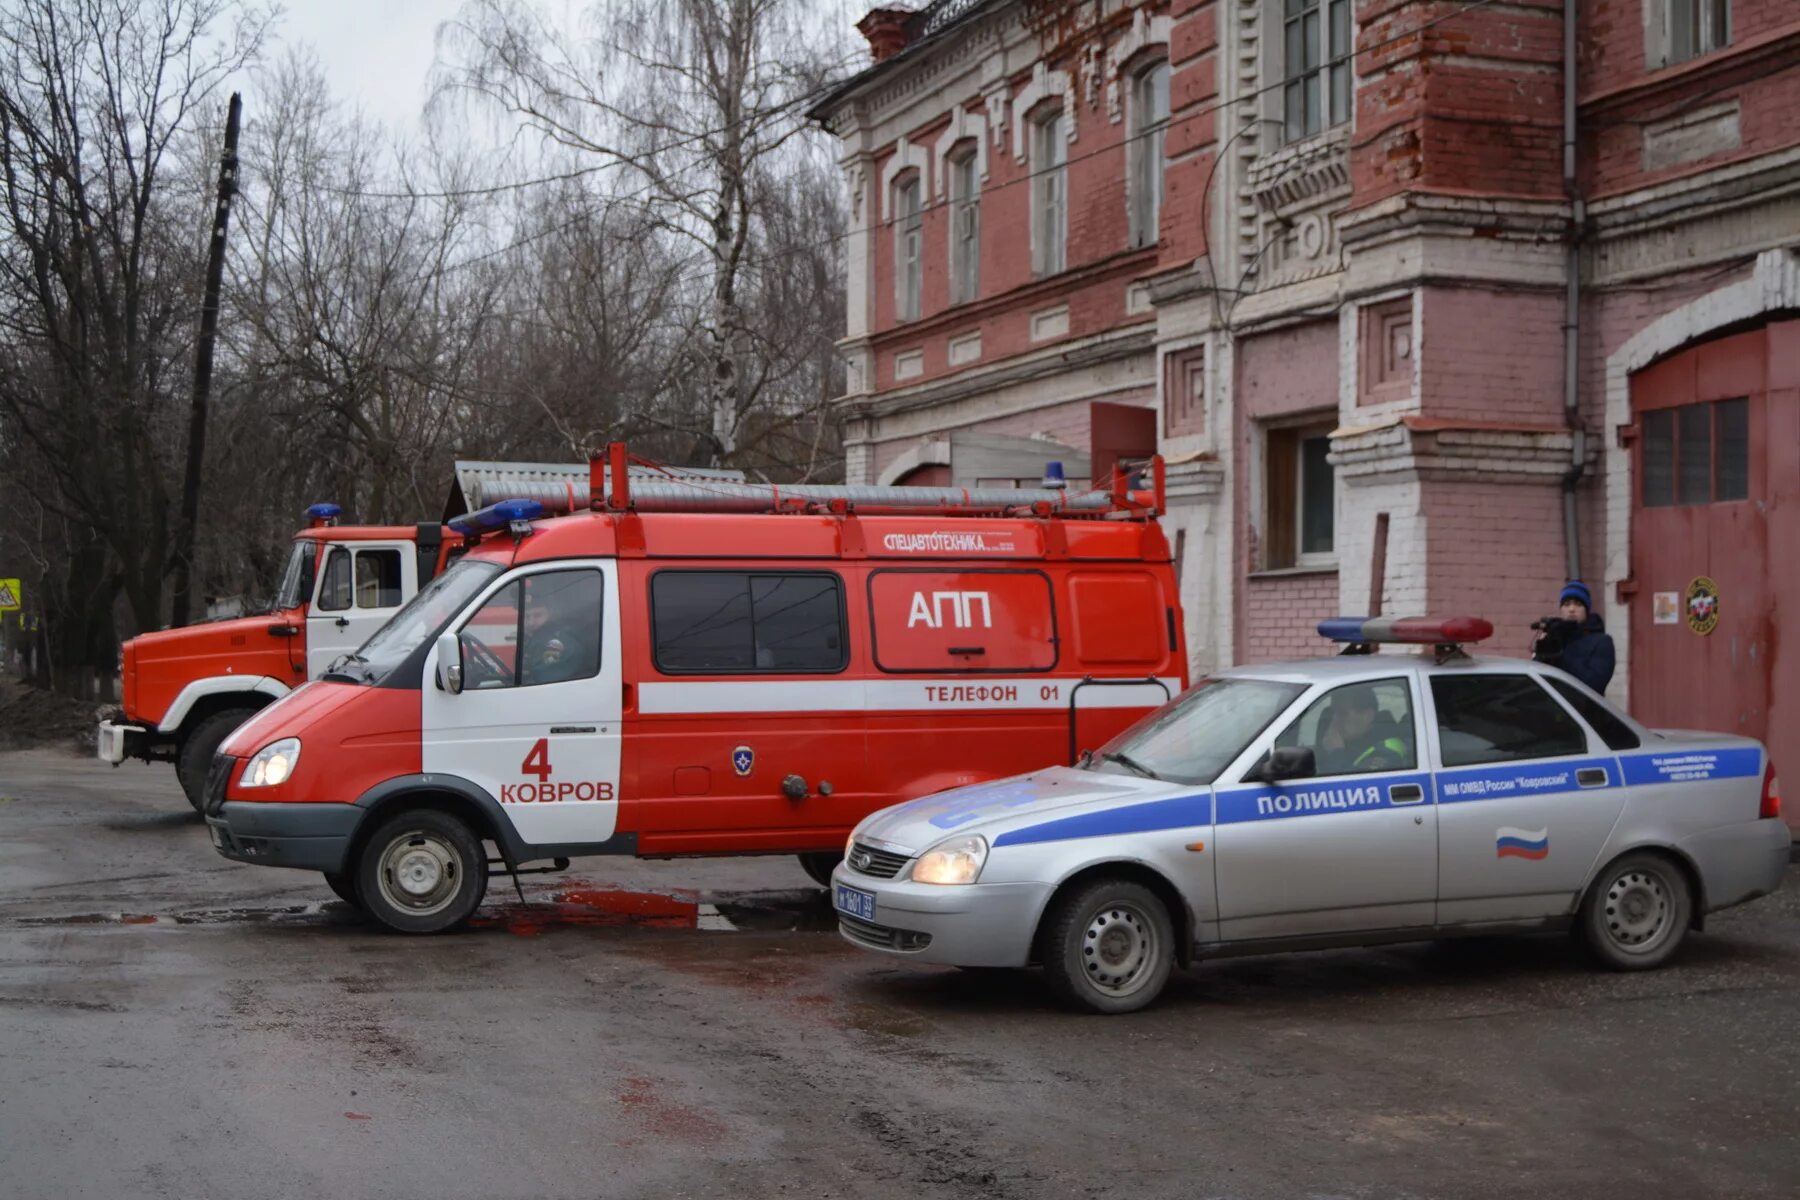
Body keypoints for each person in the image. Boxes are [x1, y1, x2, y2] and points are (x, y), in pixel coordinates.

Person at [1533, 580, 1615, 694]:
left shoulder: (1602, 642)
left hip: (1583, 710)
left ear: (1586, 610)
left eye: (1578, 604)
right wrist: (1542, 651)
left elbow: (1595, 684)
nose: (1571, 609)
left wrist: (1560, 655)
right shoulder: (1556, 636)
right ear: (1561, 610)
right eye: (1567, 604)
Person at [1316, 686, 1408, 774]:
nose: (1334, 720)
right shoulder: (1353, 743)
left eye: (1342, 713)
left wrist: (1336, 753)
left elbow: (1351, 787)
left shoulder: (1387, 751)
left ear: (1367, 715)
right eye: (1333, 714)